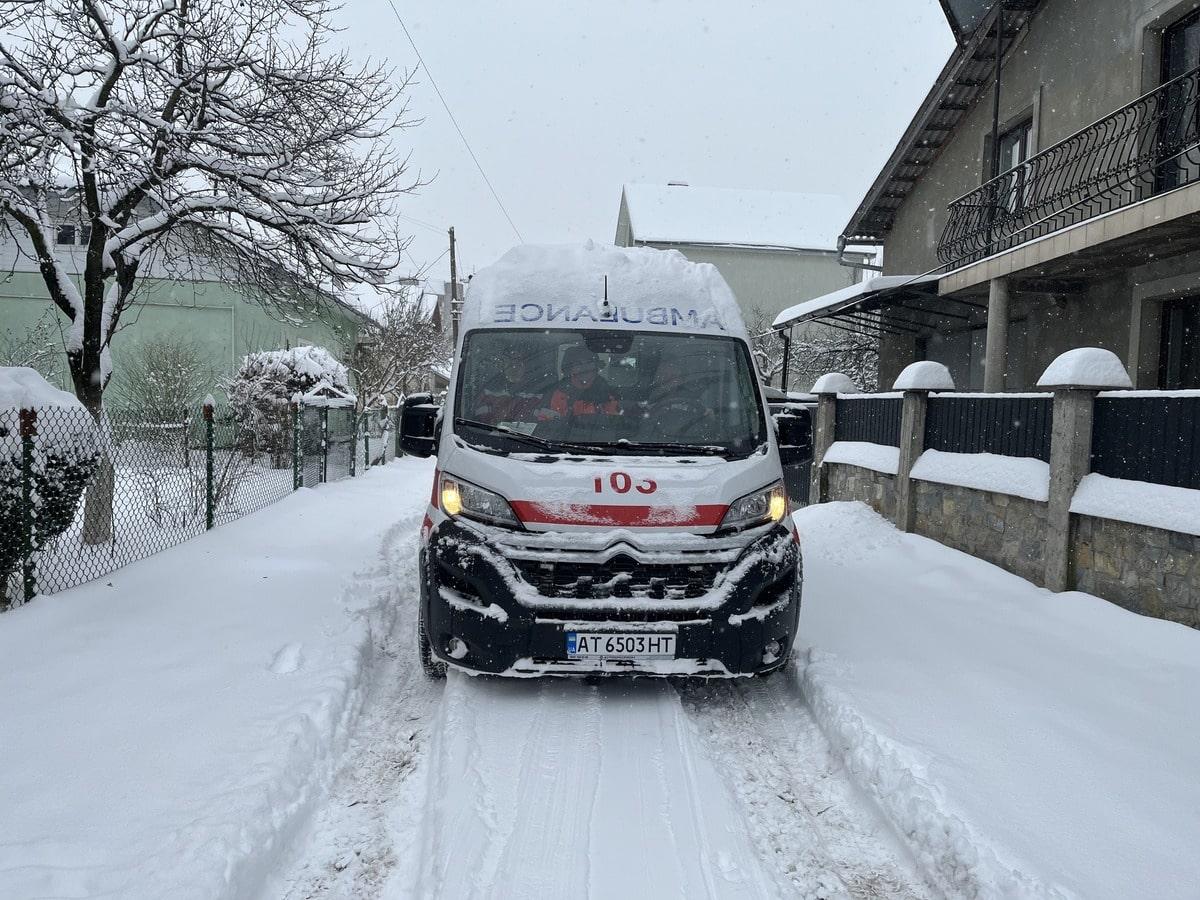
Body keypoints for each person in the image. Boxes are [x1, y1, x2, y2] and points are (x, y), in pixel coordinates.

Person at [545, 345, 619, 421]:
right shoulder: (556, 393)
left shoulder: (608, 394)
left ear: (596, 366)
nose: (584, 368)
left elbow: (613, 424)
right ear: (569, 369)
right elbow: (549, 425)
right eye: (578, 363)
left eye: (589, 362)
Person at [472, 350, 541, 424]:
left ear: (526, 366)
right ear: (503, 366)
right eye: (511, 363)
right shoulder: (488, 393)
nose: (514, 367)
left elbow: (541, 423)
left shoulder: (538, 392)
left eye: (519, 363)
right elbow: (480, 424)